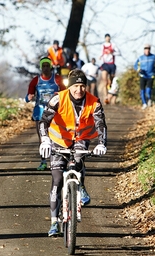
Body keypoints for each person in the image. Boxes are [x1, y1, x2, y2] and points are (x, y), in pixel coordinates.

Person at [38, 69, 108, 236]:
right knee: (56, 180)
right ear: (69, 86)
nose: (79, 90)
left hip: (81, 139)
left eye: (82, 86)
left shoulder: (94, 102)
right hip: (58, 141)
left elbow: (101, 125)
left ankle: (81, 187)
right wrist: (45, 140)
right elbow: (43, 121)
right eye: (75, 86)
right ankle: (54, 222)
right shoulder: (57, 98)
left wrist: (102, 144)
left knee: (77, 161)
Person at [25, 57, 67, 170]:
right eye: (43, 66)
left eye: (47, 65)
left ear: (51, 66)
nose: (45, 68)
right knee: (42, 138)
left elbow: (65, 94)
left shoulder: (57, 79)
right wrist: (29, 97)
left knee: (58, 137)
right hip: (40, 113)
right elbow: (28, 96)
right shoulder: (36, 80)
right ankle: (43, 162)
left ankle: (59, 162)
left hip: (55, 114)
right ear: (41, 67)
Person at [134, 44, 155, 109]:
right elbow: (135, 66)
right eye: (145, 49)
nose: (147, 50)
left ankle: (149, 99)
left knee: (148, 90)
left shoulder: (153, 57)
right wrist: (139, 70)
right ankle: (144, 103)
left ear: (150, 49)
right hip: (143, 76)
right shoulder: (140, 58)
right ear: (144, 50)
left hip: (150, 76)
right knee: (142, 90)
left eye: (148, 49)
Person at [99, 33, 120, 104]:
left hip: (112, 64)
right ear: (105, 38)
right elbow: (100, 53)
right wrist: (100, 57)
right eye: (106, 37)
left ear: (110, 38)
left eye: (108, 37)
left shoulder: (113, 45)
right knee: (105, 81)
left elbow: (119, 53)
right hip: (105, 64)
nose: (107, 39)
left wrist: (112, 52)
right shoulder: (102, 45)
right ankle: (106, 97)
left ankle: (110, 92)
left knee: (111, 81)